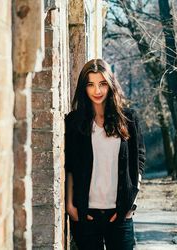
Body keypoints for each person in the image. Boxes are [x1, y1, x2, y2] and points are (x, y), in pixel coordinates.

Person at [64, 59, 146, 250]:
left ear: (110, 84)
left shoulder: (128, 119)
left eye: (102, 84)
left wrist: (131, 204)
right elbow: (70, 166)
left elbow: (139, 162)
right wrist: (70, 206)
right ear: (84, 88)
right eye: (90, 85)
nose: (97, 91)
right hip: (86, 214)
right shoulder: (75, 122)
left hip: (120, 214)